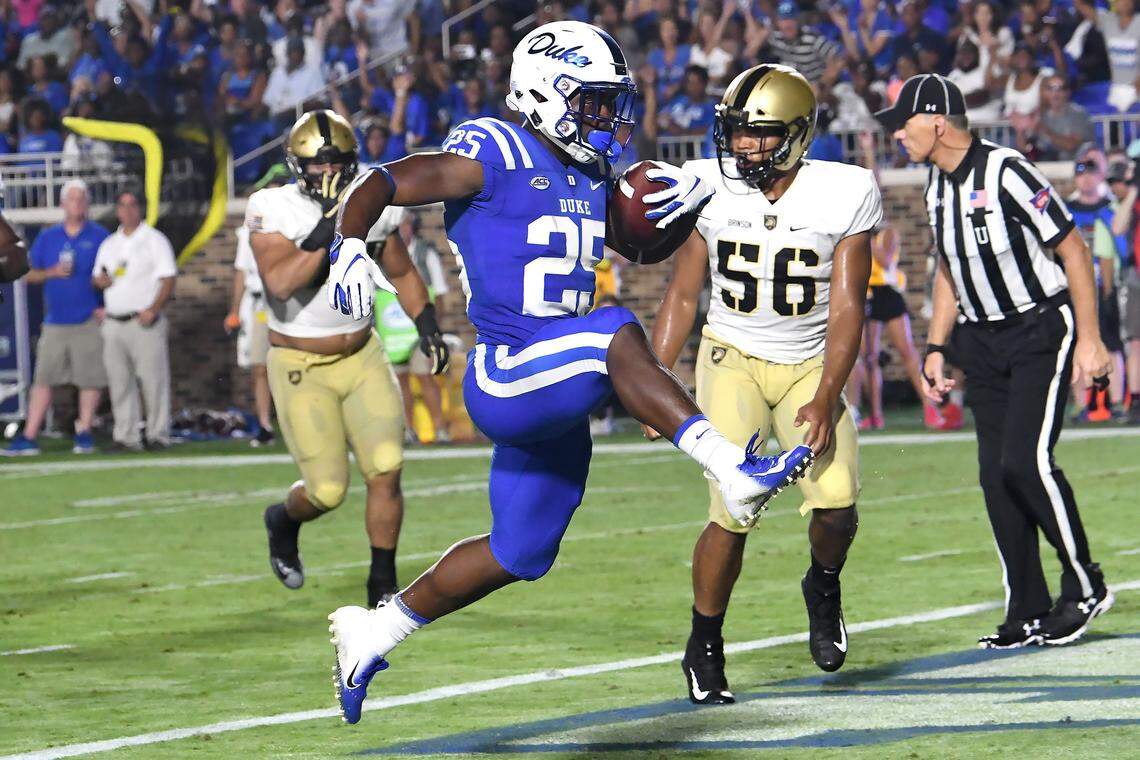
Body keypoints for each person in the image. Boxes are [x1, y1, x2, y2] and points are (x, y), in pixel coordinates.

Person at [323, 20, 815, 724]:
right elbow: (384, 180)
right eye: (593, 101)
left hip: (557, 380)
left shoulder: (587, 173)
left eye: (611, 102)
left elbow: (637, 240)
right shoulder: (493, 149)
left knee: (521, 551)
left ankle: (376, 629)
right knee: (614, 328)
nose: (607, 117)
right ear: (543, 93)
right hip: (507, 372)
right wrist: (347, 242)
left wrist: (686, 200)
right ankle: (731, 467)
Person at [646, 64, 878, 703]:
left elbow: (848, 307)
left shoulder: (845, 190)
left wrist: (826, 396)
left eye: (758, 133)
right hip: (733, 357)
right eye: (735, 131)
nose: (742, 145)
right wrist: (655, 379)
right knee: (732, 508)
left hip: (809, 363)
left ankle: (822, 584)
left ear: (798, 134)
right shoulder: (709, 187)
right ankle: (704, 642)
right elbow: (684, 293)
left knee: (837, 502)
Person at [877, 74, 1115, 650]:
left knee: (1025, 462)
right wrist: (937, 347)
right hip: (981, 341)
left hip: (1038, 328)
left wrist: (1091, 339)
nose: (897, 135)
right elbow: (949, 269)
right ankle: (1027, 608)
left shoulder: (1007, 171)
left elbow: (1073, 249)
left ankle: (1085, 586)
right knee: (995, 476)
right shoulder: (937, 185)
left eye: (904, 123)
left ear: (937, 122)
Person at [249, 109, 442, 609]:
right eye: (318, 165)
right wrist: (331, 228)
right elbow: (282, 283)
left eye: (337, 164)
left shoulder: (372, 201)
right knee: (327, 490)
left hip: (361, 352)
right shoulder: (272, 207)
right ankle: (283, 519)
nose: (328, 174)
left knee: (387, 465)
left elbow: (401, 271)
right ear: (297, 166)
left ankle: (382, 583)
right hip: (300, 361)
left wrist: (427, 324)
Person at [2, 180, 108, 456]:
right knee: (43, 379)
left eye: (82, 199)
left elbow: (111, 274)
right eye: (72, 199)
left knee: (89, 379)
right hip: (55, 321)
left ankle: (84, 433)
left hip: (87, 319)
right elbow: (27, 274)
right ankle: (29, 436)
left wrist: (104, 304)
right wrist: (52, 272)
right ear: (63, 204)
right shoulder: (49, 237)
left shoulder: (99, 236)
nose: (77, 204)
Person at [92, 189, 176, 452]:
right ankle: (126, 436)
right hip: (114, 321)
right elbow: (97, 278)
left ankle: (158, 434)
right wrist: (101, 282)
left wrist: (154, 308)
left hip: (143, 321)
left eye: (132, 205)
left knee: (153, 381)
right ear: (117, 210)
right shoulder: (109, 244)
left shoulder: (154, 240)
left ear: (140, 208)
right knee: (119, 382)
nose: (127, 210)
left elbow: (168, 278)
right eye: (122, 205)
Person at [1068, 159, 1126, 421]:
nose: (1086, 179)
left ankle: (1116, 401)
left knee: (1112, 344)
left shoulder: (1110, 209)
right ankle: (1082, 403)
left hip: (1105, 286)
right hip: (1074, 288)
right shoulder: (1066, 210)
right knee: (1076, 344)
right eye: (1081, 174)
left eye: (1091, 174)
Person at [224, 219, 275, 447]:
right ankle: (265, 425)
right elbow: (241, 272)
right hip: (258, 304)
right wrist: (234, 311)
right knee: (259, 366)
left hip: (284, 301)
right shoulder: (248, 231)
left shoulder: (288, 221)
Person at [1108, 159, 1140, 423]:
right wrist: (1134, 191)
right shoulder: (1132, 201)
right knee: (1135, 342)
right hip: (1136, 277)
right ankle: (1136, 401)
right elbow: (1117, 227)